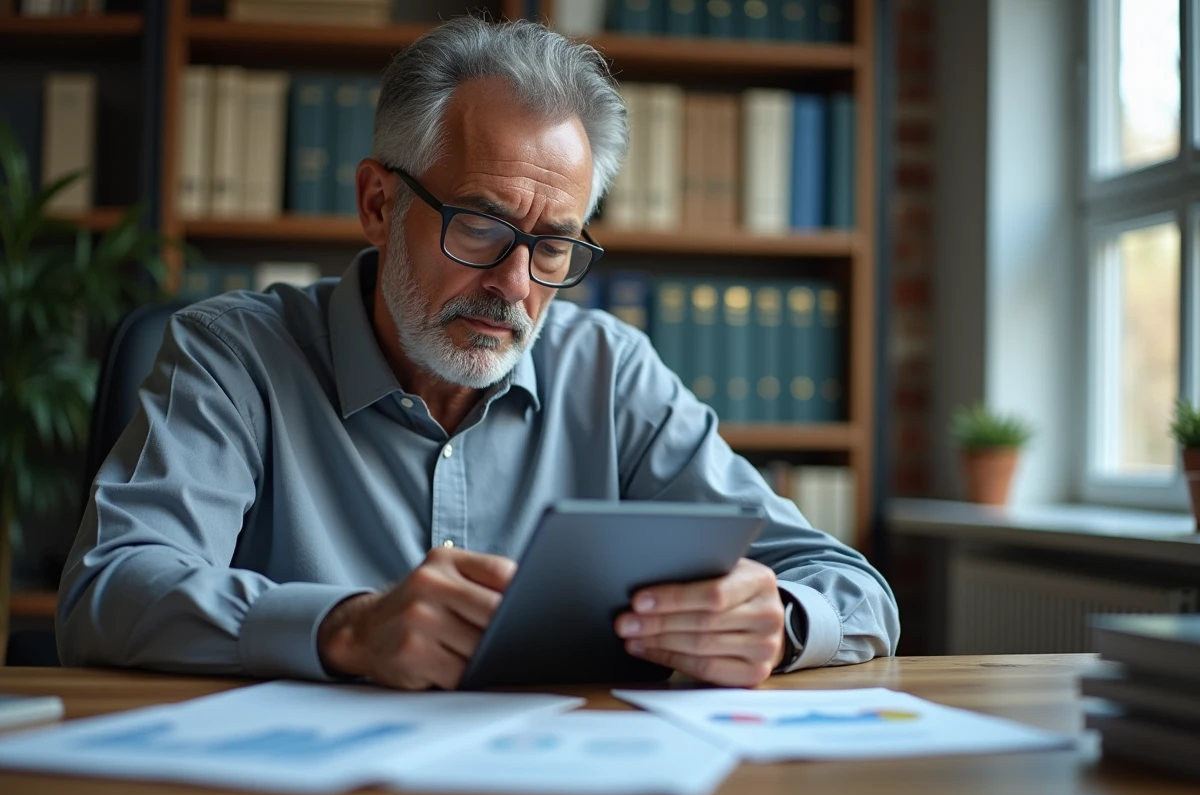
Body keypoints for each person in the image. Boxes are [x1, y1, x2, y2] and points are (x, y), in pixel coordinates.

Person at [57, 17, 899, 690]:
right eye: (481, 226)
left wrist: (779, 619)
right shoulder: (231, 355)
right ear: (379, 203)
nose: (515, 283)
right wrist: (345, 627)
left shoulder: (611, 372)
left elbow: (853, 589)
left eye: (553, 246)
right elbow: (110, 590)